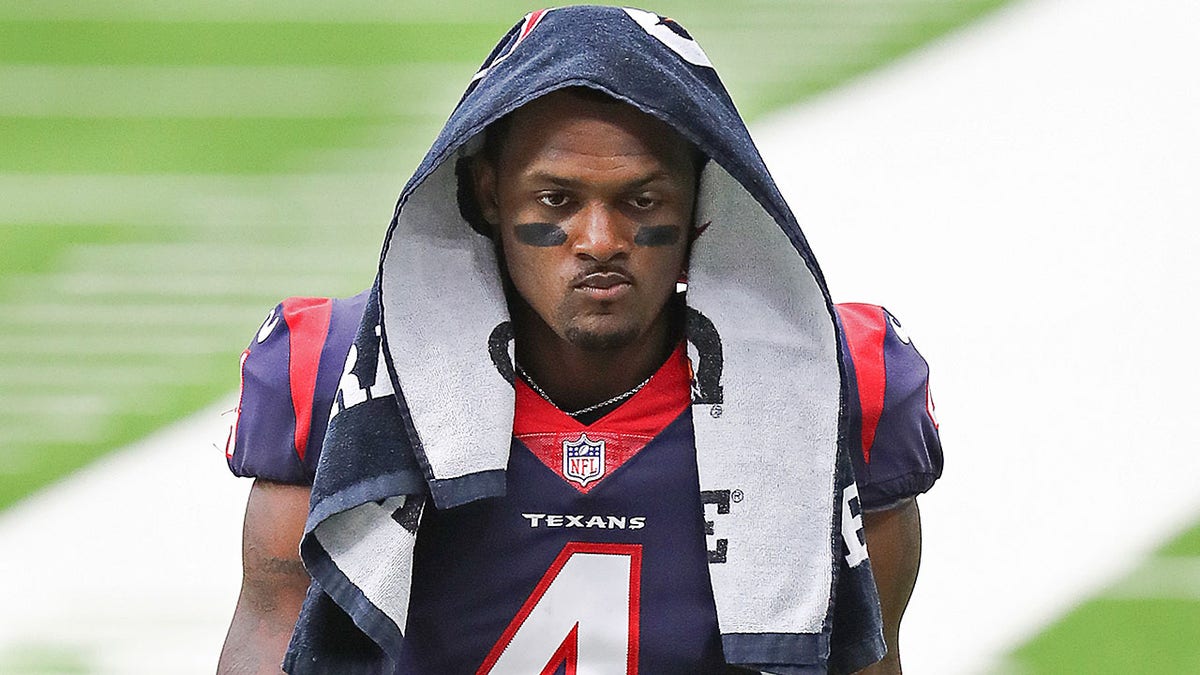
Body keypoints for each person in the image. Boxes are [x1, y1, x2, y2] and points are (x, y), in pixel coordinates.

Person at [217, 7, 942, 674]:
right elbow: (276, 635)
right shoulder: (339, 368)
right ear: (487, 192)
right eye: (557, 199)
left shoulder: (836, 383)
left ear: (702, 199)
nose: (600, 241)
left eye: (641, 200)